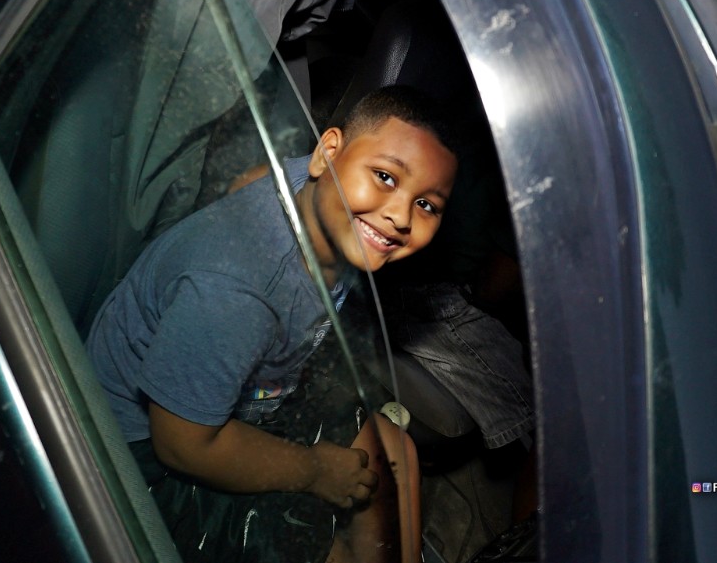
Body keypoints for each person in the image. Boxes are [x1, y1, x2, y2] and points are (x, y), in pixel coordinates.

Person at [85, 87, 459, 563]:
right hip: (147, 458)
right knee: (325, 548)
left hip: (255, 387)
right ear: (328, 152)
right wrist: (314, 470)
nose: (399, 217)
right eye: (385, 177)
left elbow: (249, 180)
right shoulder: (237, 293)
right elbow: (182, 447)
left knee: (396, 454)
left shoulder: (314, 184)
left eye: (426, 204)